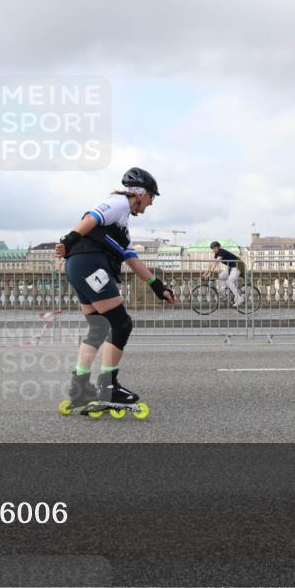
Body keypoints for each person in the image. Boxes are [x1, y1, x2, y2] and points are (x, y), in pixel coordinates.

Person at [54, 167, 179, 416]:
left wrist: (158, 287)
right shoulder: (119, 202)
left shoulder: (122, 225)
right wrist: (68, 240)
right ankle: (108, 386)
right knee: (121, 323)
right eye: (152, 197)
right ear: (140, 194)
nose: (151, 204)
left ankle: (79, 387)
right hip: (89, 264)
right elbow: (91, 217)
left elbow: (133, 260)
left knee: (99, 327)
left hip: (80, 266)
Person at [202, 240, 245, 307]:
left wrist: (210, 272)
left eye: (215, 248)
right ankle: (224, 290)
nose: (214, 250)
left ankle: (239, 298)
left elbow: (216, 262)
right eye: (212, 249)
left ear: (218, 247)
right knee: (221, 276)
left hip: (238, 266)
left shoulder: (221, 252)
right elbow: (212, 263)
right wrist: (205, 273)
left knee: (230, 281)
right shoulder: (217, 254)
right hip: (231, 267)